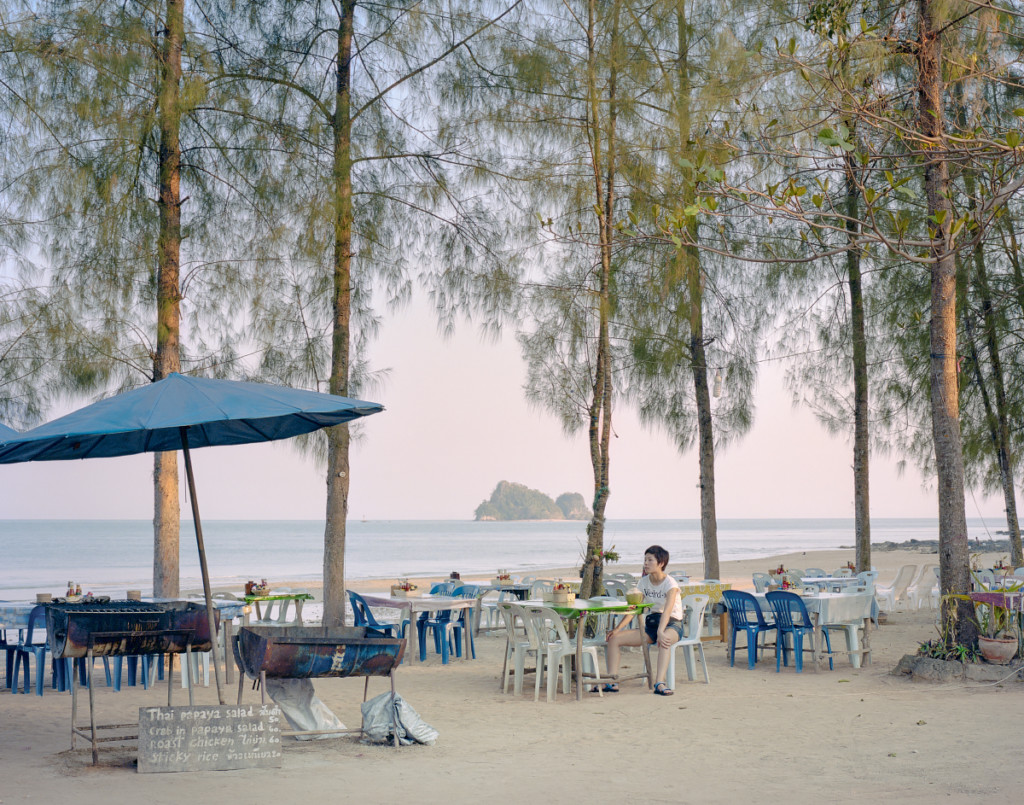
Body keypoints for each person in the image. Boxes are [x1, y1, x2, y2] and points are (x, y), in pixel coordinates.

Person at [599, 544, 684, 696]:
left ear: (661, 563)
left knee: (664, 640)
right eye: (645, 560)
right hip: (652, 625)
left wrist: (661, 632)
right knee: (614, 639)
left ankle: (659, 683)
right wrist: (617, 629)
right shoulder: (643, 582)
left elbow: (668, 610)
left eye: (650, 560)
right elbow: (634, 608)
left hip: (672, 623)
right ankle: (612, 681)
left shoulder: (670, 584)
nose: (645, 563)